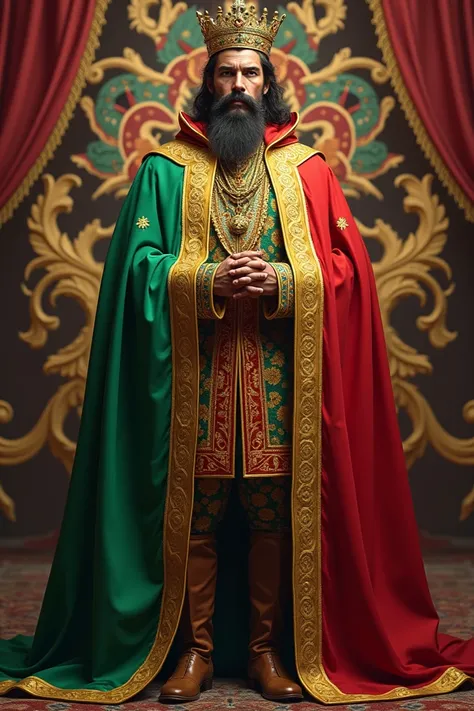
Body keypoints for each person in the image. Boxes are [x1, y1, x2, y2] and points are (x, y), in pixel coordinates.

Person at [0, 0, 473, 705]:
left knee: (270, 509)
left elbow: (348, 274)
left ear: (269, 80)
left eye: (252, 72)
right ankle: (191, 653)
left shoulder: (307, 170)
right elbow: (134, 269)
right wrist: (201, 277)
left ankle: (263, 653)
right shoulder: (164, 171)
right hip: (193, 376)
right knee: (199, 511)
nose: (240, 85)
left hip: (280, 380)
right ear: (208, 80)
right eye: (227, 72)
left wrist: (284, 279)